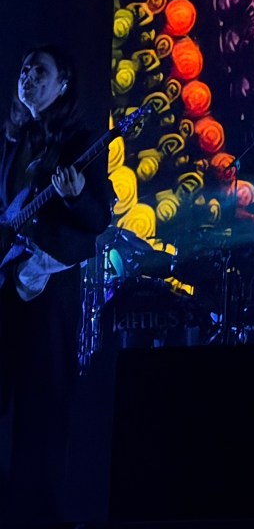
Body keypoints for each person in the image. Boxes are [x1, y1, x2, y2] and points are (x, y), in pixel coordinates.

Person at [0, 45, 115, 523]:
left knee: (43, 407)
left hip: (50, 293)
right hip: (9, 283)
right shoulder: (13, 140)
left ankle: (35, 514)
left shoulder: (80, 143)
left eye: (40, 71)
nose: (28, 76)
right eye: (25, 69)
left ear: (63, 83)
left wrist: (77, 194)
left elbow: (98, 218)